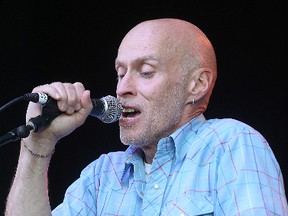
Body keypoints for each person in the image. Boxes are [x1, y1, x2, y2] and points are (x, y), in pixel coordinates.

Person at [5, 18, 288, 216]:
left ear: (198, 84)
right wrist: (38, 146)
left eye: (146, 71)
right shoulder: (103, 176)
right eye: (120, 73)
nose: (122, 88)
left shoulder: (231, 144)